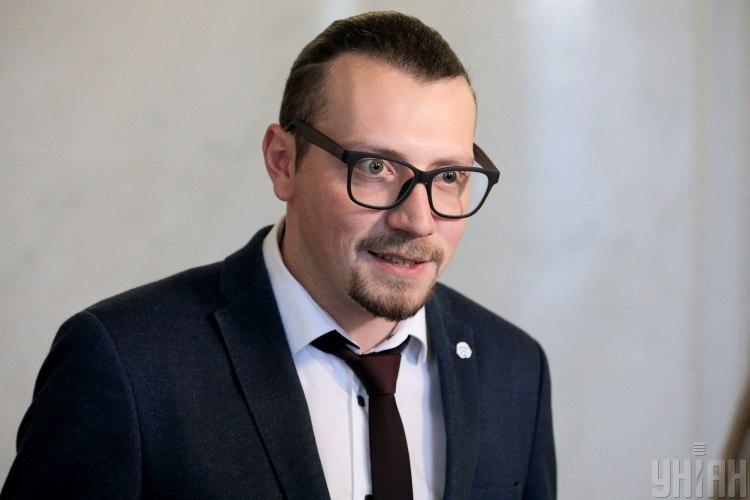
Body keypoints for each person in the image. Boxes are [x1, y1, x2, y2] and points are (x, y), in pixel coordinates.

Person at [1, 11, 555, 500]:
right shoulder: (125, 363)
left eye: (450, 176)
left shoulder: (515, 370)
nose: (418, 220)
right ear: (283, 162)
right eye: (375, 167)